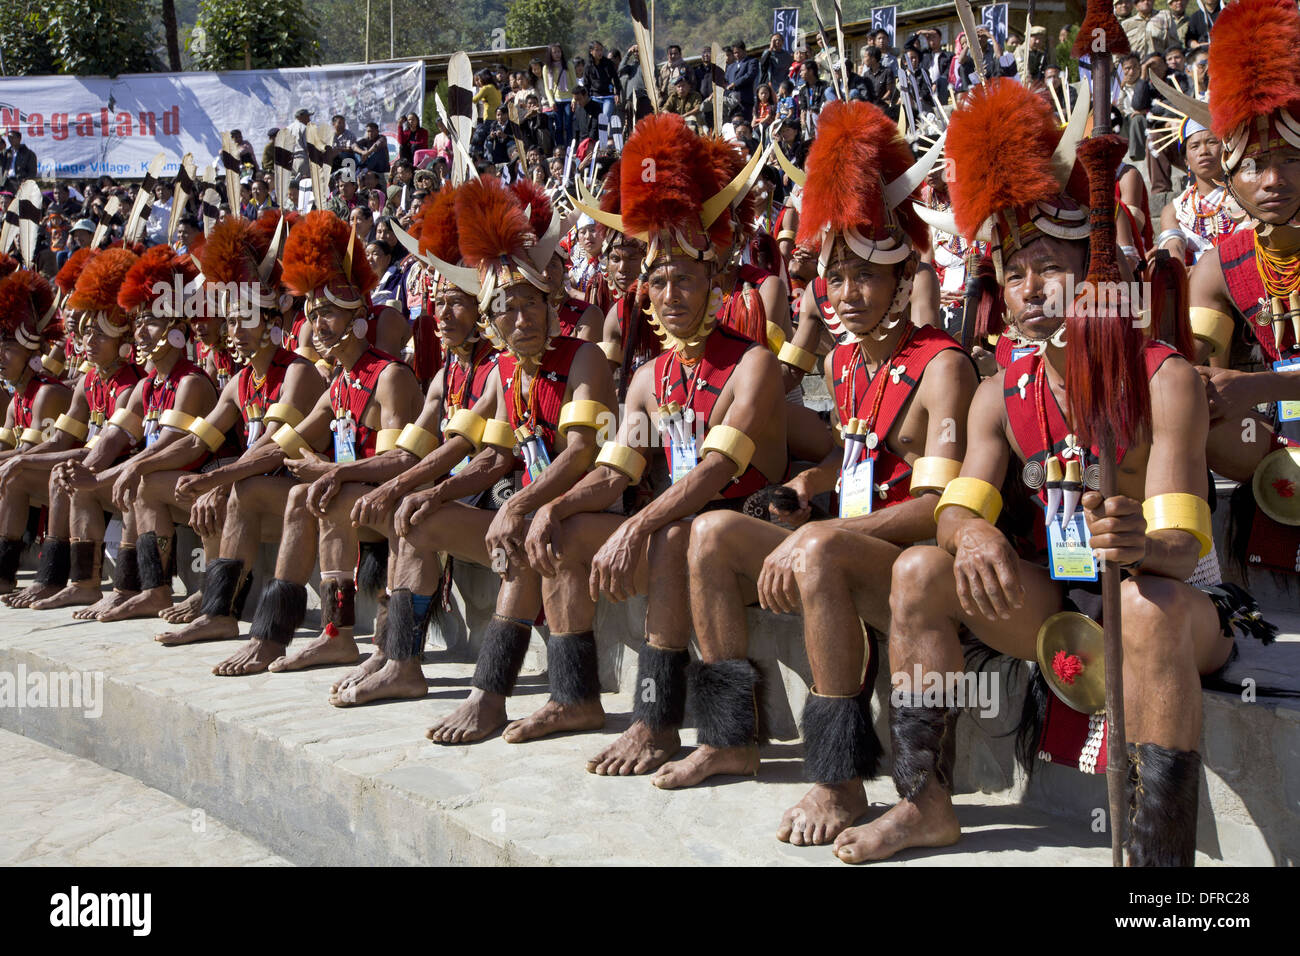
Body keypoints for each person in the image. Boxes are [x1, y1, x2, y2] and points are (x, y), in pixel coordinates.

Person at [836, 77, 1256, 868]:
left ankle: (1158, 866)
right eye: (1014, 269)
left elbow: (1180, 546)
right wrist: (971, 536)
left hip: (1176, 600)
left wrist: (1137, 540)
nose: (1030, 289)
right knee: (924, 568)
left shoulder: (1160, 375)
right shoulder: (1002, 392)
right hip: (1063, 596)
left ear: (1094, 266)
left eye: (1047, 265)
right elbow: (956, 506)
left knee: (1145, 609)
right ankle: (925, 804)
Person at [661, 101, 974, 811]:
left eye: (864, 277)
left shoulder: (942, 364)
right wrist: (810, 484)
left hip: (915, 558)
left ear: (902, 282)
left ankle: (838, 778)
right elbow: (853, 456)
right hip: (847, 535)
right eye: (836, 279)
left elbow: (935, 506)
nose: (847, 294)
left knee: (818, 554)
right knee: (708, 533)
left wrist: (820, 532)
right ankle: (728, 736)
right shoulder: (843, 365)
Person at [523, 112, 788, 768]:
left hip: (752, 541)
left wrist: (635, 526)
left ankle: (678, 726)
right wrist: (549, 506)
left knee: (675, 531)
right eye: (660, 280)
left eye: (686, 280)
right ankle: (574, 692)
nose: (670, 294)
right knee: (566, 529)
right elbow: (614, 473)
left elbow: (712, 476)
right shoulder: (649, 376)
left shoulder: (751, 362)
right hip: (685, 539)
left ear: (715, 285)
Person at [388, 177, 615, 742]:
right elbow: (493, 456)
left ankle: (492, 697)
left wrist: (524, 506)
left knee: (525, 539)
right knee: (421, 521)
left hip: (585, 509)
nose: (520, 320)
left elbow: (584, 454)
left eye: (529, 305)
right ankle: (401, 661)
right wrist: (433, 492)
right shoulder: (505, 371)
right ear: (490, 319)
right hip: (533, 507)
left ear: (550, 303)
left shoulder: (583, 357)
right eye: (506, 310)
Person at [210, 210, 423, 676]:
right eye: (311, 313)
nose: (315, 325)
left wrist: (333, 472)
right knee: (298, 496)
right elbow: (284, 443)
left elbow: (400, 464)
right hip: (351, 497)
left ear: (360, 318)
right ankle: (273, 634)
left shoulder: (388, 376)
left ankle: (337, 636)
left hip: (391, 501)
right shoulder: (339, 383)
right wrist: (219, 477)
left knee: (319, 494)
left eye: (327, 312)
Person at [153, 212, 326, 645]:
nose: (233, 332)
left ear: (271, 324)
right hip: (260, 486)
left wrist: (218, 477)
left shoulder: (298, 372)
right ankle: (190, 599)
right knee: (165, 485)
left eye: (243, 320)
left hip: (300, 488)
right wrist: (134, 470)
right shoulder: (239, 380)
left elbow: (272, 446)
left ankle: (219, 611)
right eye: (229, 322)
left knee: (235, 488)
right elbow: (198, 439)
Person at [1185, 0, 1300, 513]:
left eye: (1292, 160)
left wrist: (1264, 384)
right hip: (1272, 449)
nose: (1274, 180)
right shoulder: (1218, 266)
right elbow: (1203, 372)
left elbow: (1250, 388)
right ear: (1230, 176)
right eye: (1255, 165)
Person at [0, 267, 72, 595]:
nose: (0, 356)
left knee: (12, 474)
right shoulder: (18, 396)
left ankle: (5, 572)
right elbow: (8, 447)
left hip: (72, 474)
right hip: (47, 472)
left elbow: (30, 454)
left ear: (31, 352)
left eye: (8, 347)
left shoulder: (47, 392)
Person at [584, 41, 620, 119]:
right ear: (591, 51)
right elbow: (586, 83)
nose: (600, 52)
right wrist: (586, 99)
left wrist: (617, 93)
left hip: (608, 97)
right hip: (594, 98)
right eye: (597, 50)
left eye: (601, 50)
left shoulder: (608, 63)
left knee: (605, 119)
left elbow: (616, 78)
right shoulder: (588, 66)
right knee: (597, 122)